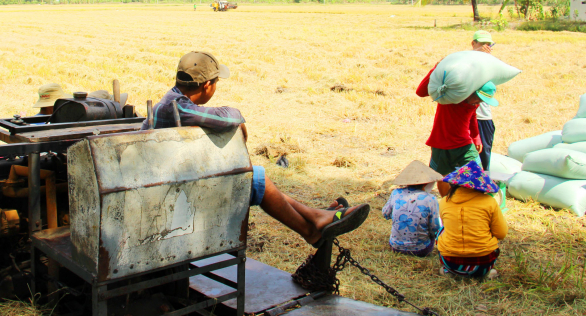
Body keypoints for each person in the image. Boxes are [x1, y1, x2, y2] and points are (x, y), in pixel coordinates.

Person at [142, 51, 370, 247]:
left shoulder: (169, 100)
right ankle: (312, 229)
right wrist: (238, 119)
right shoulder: (177, 107)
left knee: (256, 178)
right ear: (207, 85)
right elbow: (229, 116)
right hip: (173, 197)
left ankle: (315, 217)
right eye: (216, 82)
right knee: (255, 179)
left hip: (169, 184)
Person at [416, 61, 499, 196]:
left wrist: (476, 137)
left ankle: (474, 203)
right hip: (442, 145)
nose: (478, 103)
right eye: (478, 99)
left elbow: (472, 117)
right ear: (472, 91)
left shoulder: (474, 103)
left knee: (477, 174)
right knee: (442, 176)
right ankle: (448, 203)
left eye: (481, 101)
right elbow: (420, 92)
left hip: (464, 144)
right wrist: (437, 68)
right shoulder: (449, 96)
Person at [437, 161, 507, 279]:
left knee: (441, 231)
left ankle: (451, 272)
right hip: (483, 263)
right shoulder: (490, 202)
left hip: (451, 262)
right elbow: (501, 233)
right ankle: (486, 273)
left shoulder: (444, 202)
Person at [382, 160, 443, 257]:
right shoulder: (430, 199)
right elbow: (435, 228)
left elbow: (385, 214)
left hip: (396, 246)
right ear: (426, 183)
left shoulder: (396, 193)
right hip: (421, 249)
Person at [472, 31, 496, 170]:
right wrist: (477, 54)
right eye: (481, 44)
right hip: (466, 116)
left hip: (483, 117)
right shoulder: (465, 60)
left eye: (488, 44)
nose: (485, 47)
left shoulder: (491, 63)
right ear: (473, 44)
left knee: (483, 157)